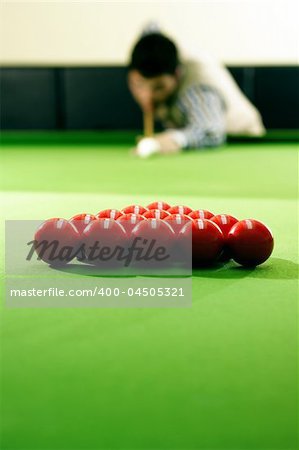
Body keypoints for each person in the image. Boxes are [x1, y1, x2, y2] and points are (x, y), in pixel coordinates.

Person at [128, 31, 265, 157]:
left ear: (177, 75)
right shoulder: (152, 57)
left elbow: (211, 133)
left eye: (159, 88)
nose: (147, 96)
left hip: (243, 142)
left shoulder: (198, 90)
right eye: (139, 85)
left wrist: (175, 139)